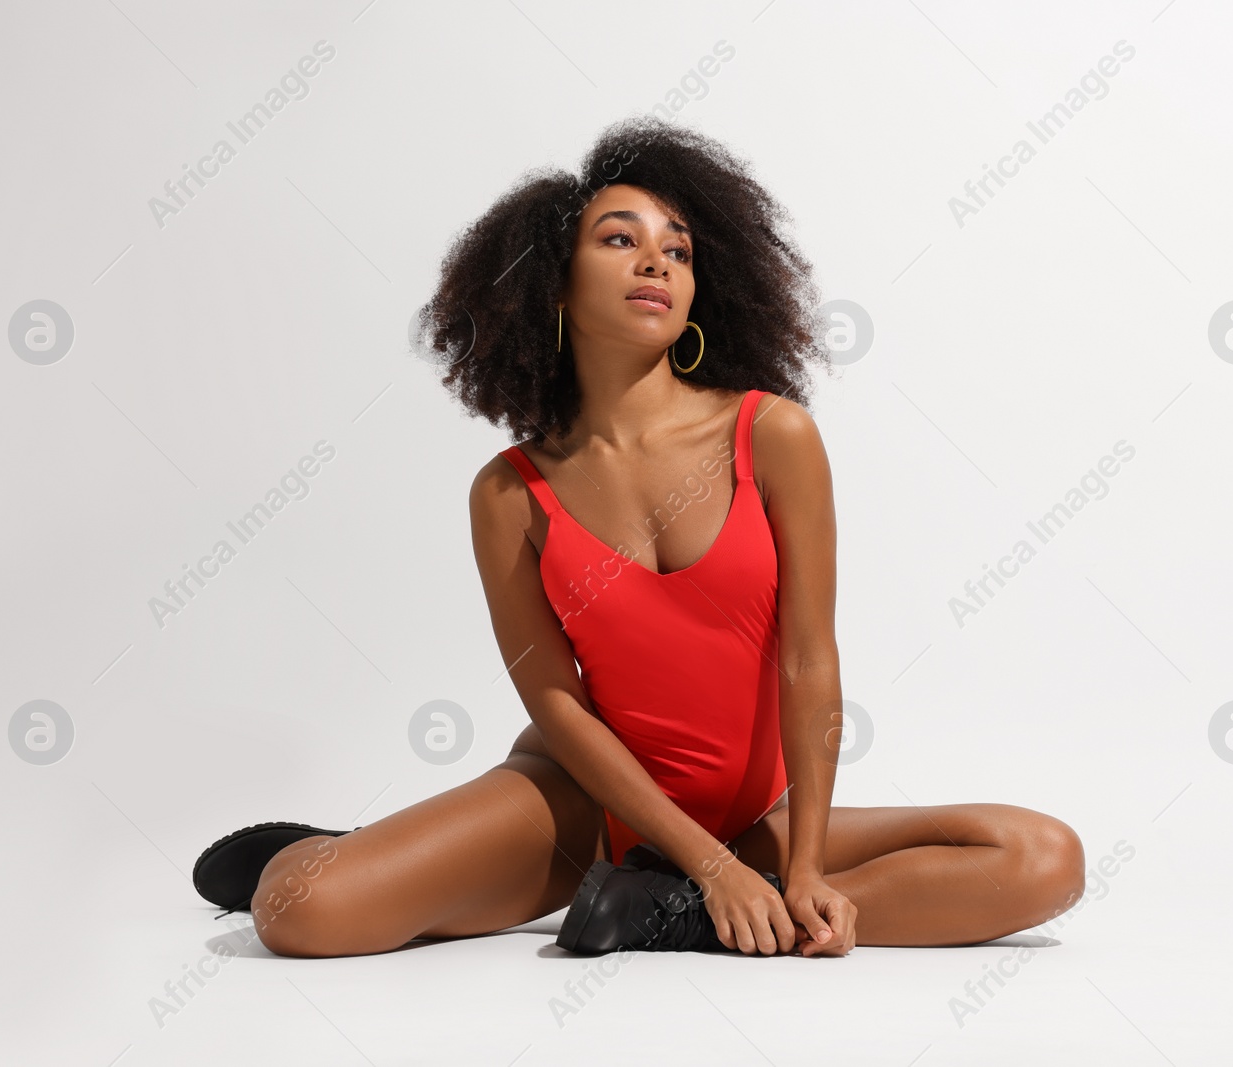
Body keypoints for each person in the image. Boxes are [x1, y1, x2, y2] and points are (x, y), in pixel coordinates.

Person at [195, 116, 1086, 959]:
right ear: (554, 280)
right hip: (588, 807)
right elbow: (557, 704)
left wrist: (800, 866)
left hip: (757, 818)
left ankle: (674, 915)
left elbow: (810, 661)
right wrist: (707, 859)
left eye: (679, 248)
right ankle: (369, 848)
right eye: (620, 238)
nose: (655, 258)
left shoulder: (771, 436)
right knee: (298, 908)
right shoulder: (511, 493)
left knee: (1045, 856)